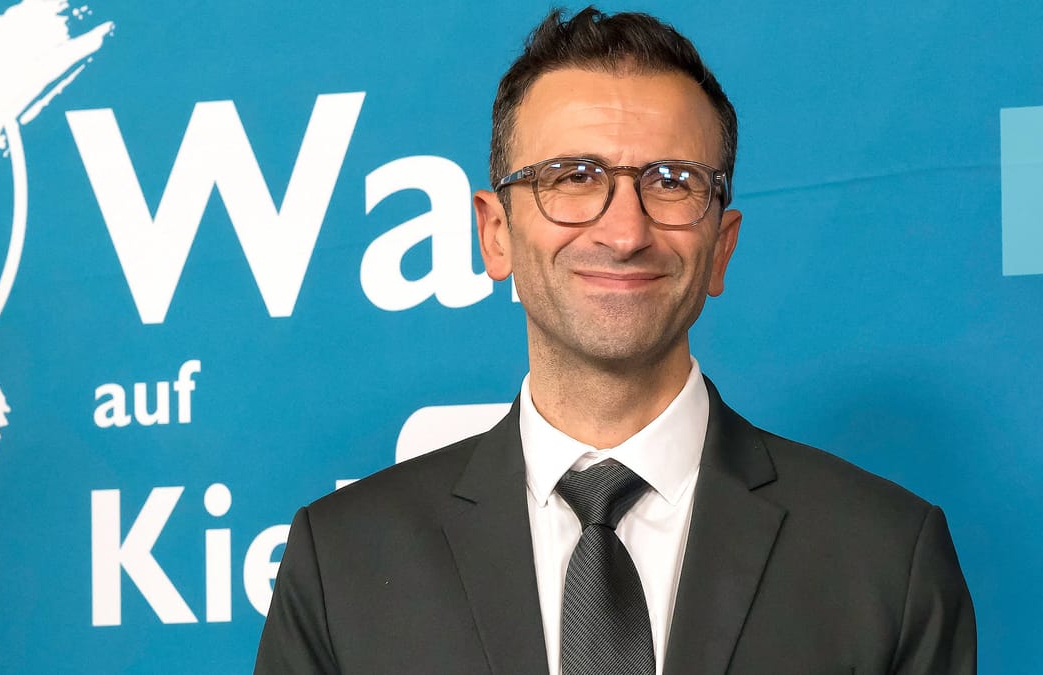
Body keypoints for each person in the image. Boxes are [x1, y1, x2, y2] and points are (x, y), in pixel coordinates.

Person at [254, 7, 976, 674]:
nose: (625, 232)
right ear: (495, 233)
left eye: (672, 181)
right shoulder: (342, 562)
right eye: (573, 177)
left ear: (721, 247)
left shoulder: (886, 557)